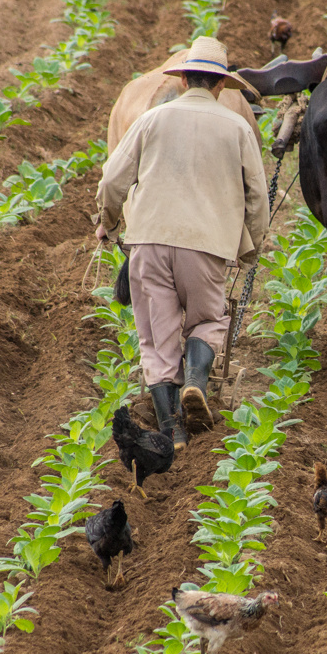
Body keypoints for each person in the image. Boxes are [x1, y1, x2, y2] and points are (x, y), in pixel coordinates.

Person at [95, 36, 269, 449]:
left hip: (148, 243)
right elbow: (257, 197)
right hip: (205, 246)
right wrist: (251, 246)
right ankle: (195, 381)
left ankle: (172, 430)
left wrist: (110, 221)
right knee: (207, 321)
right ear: (221, 85)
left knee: (155, 340)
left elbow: (111, 180)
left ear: (184, 77)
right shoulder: (238, 127)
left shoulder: (150, 121)